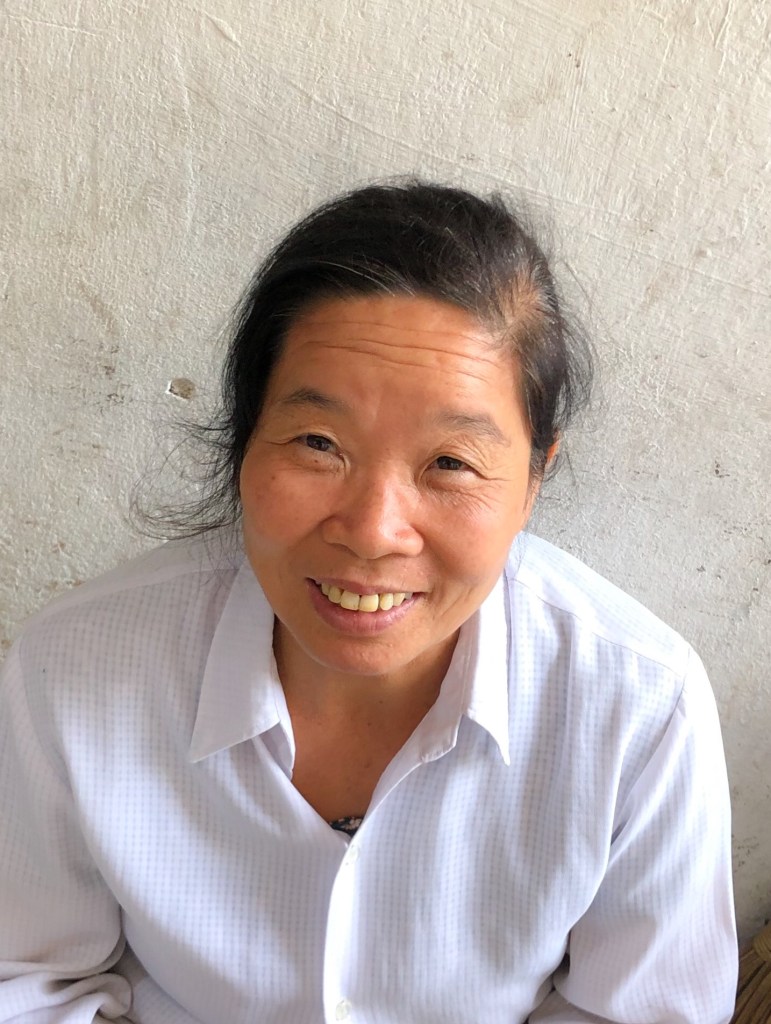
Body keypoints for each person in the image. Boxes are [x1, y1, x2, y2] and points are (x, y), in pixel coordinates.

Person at [0, 181, 737, 1023]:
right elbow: (25, 980)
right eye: (319, 444)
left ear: (534, 478)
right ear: (245, 440)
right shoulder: (73, 668)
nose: (373, 532)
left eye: (450, 463)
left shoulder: (640, 711)